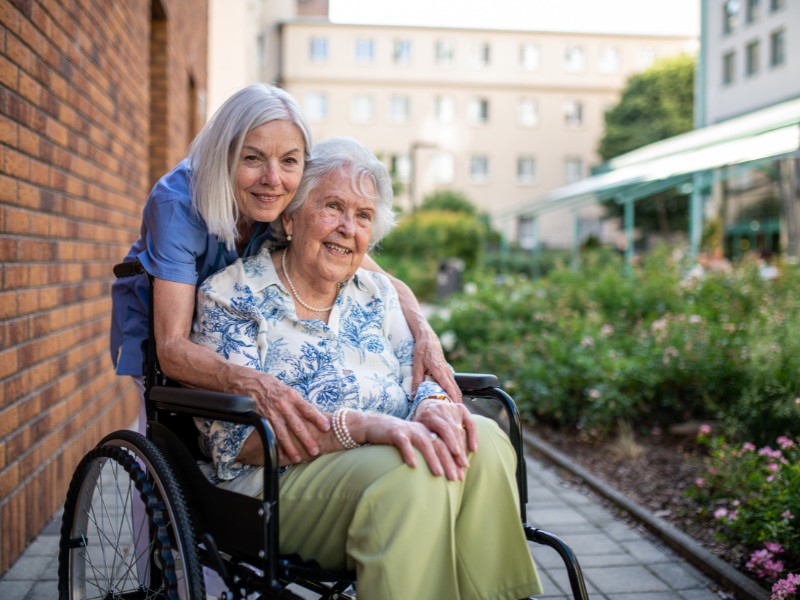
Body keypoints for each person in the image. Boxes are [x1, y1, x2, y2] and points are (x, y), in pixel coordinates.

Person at [192, 137, 543, 599]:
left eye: (362, 216)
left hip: (388, 456)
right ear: (291, 217)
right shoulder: (231, 296)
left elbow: (415, 375)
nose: (347, 228)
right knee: (417, 471)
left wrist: (434, 402)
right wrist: (357, 426)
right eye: (334, 207)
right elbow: (239, 443)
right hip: (275, 486)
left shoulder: (376, 294)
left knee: (484, 439)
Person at [109, 83, 460, 465]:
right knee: (166, 445)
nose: (273, 178)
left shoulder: (284, 196)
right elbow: (172, 347)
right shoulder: (178, 204)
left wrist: (425, 333)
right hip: (165, 323)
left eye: (289, 161)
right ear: (225, 156)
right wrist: (259, 383)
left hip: (230, 315)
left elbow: (374, 272)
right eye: (253, 158)